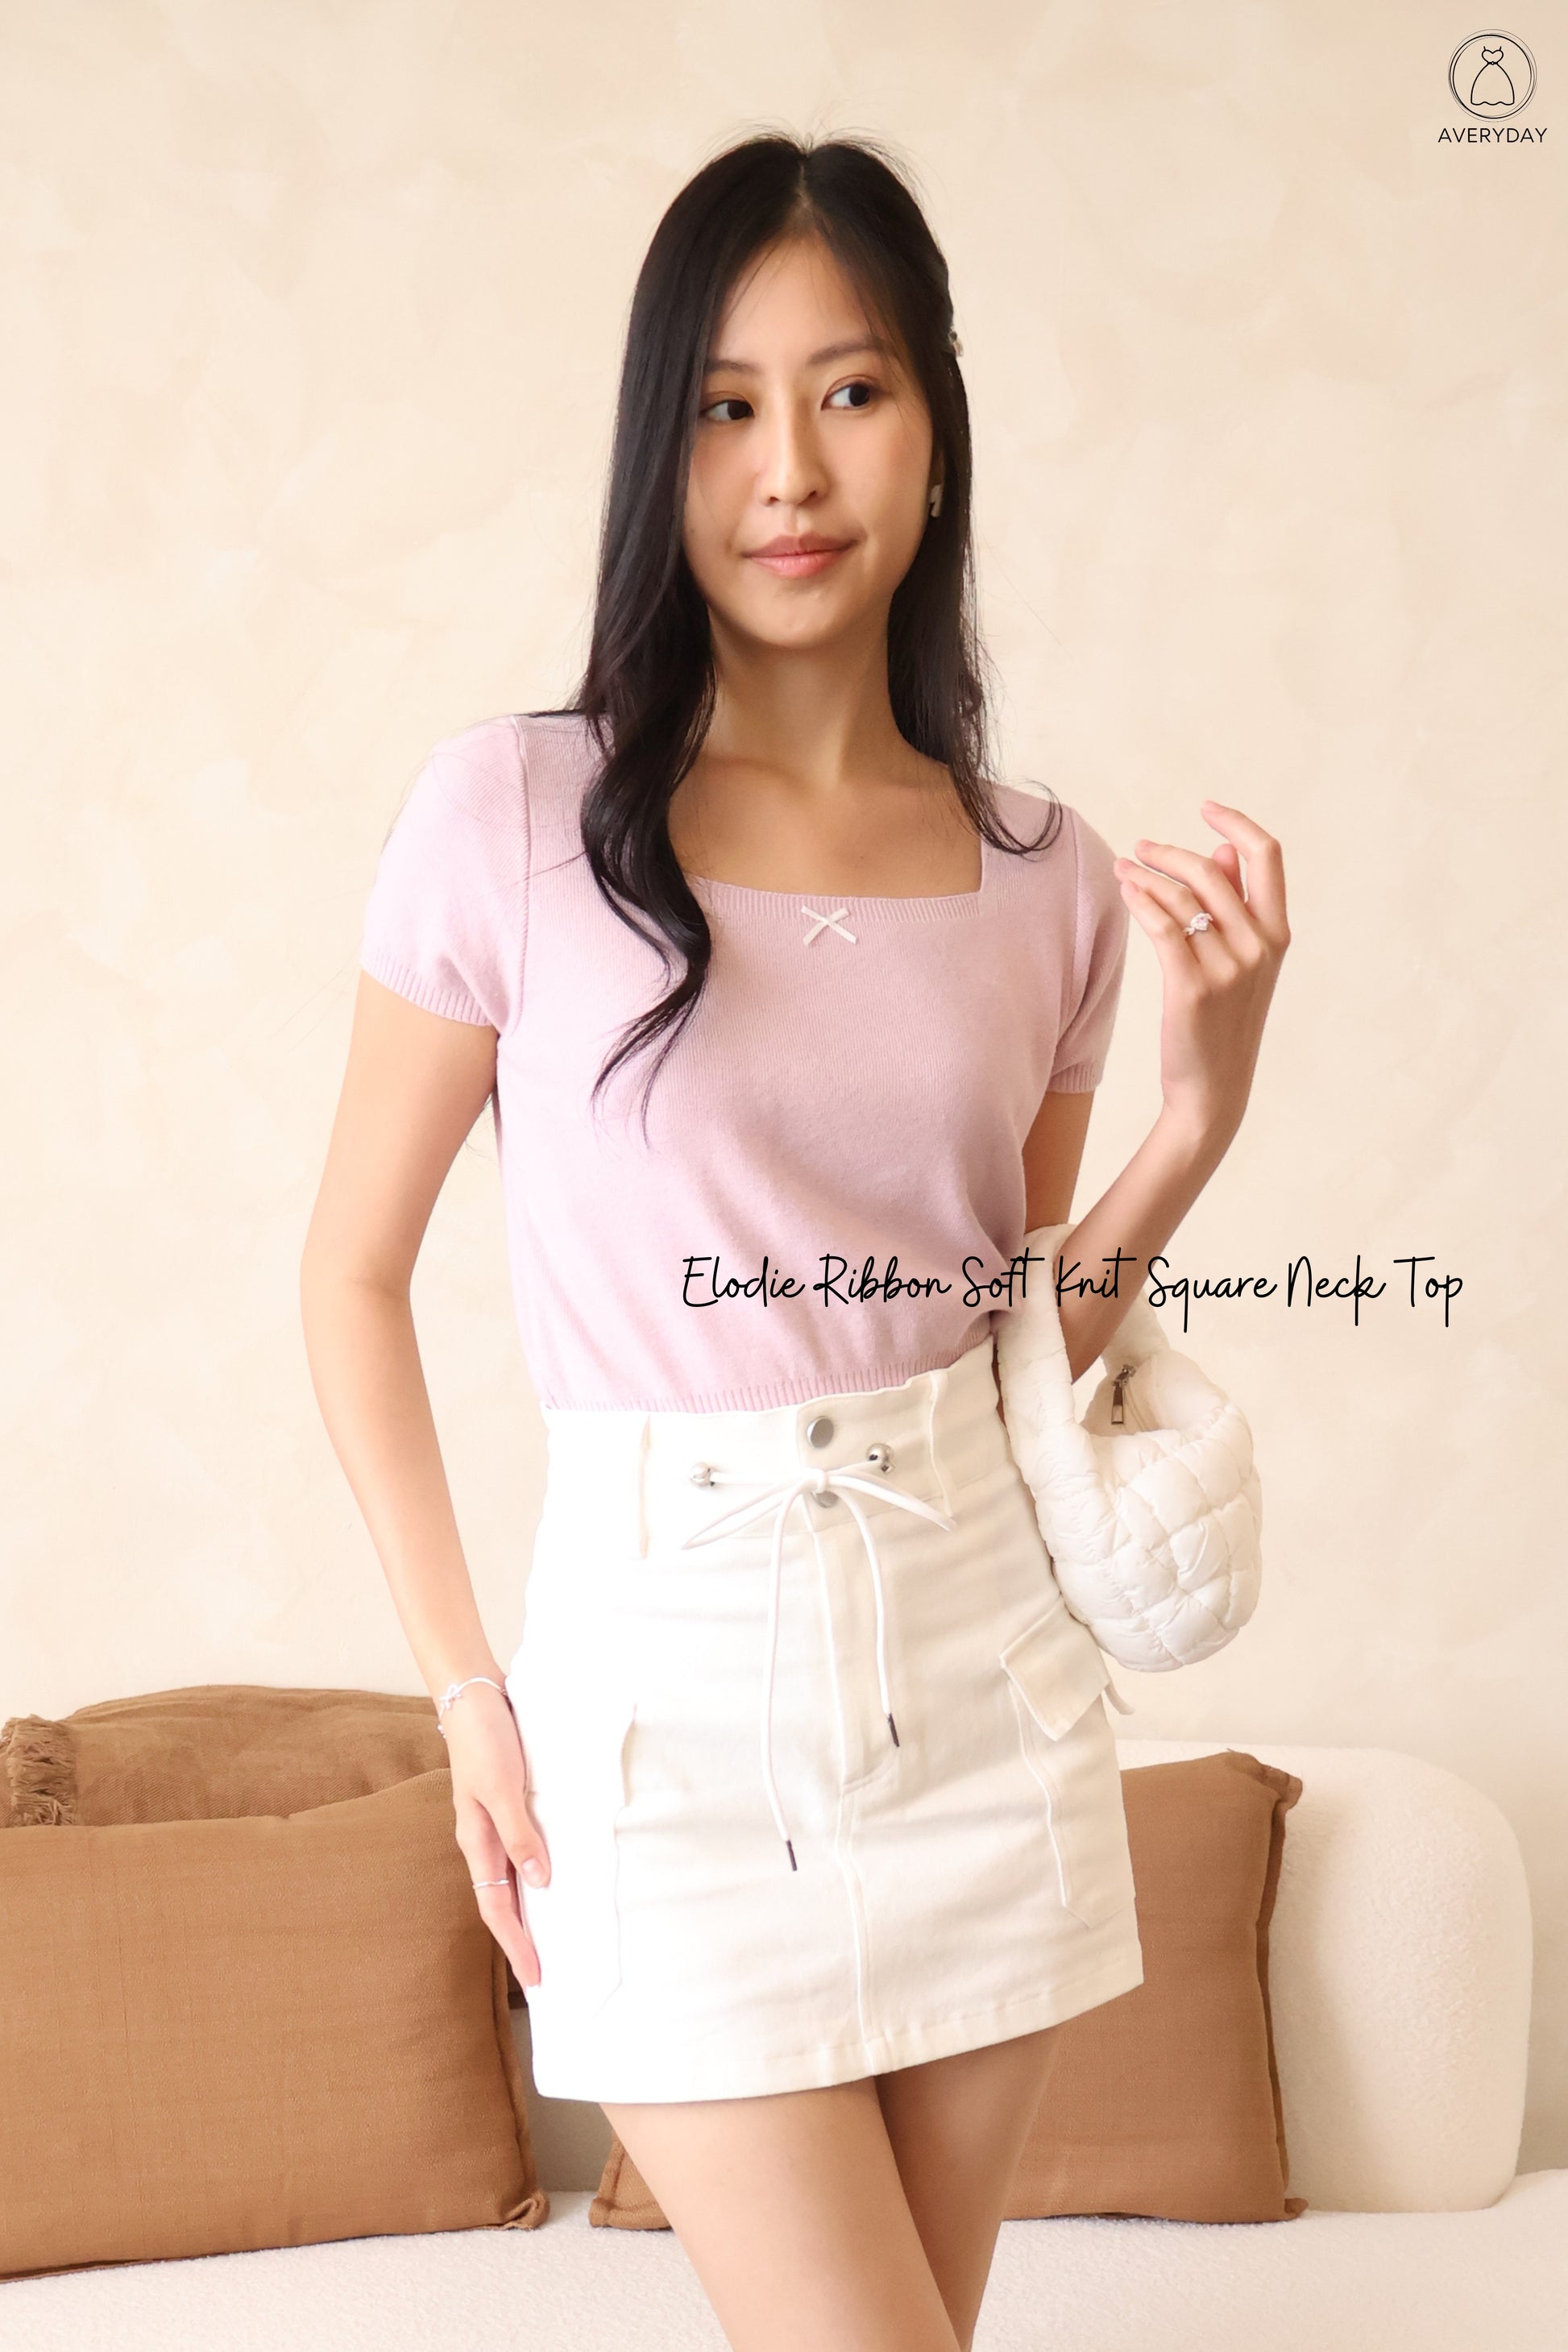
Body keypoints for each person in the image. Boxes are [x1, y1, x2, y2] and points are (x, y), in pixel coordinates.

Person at [301, 129, 1288, 2352]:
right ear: (659, 452)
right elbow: (347, 1278)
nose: (790, 469)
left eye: (849, 391)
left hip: (983, 1677)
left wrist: (1197, 1113)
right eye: (727, 406)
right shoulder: (511, 818)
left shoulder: (1043, 878)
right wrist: (469, 1697)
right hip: (661, 1694)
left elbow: (1011, 1337)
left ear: (935, 427)